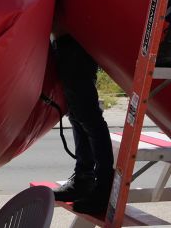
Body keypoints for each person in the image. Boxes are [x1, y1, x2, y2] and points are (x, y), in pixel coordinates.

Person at [51, 34, 113, 217]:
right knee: (77, 114)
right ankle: (84, 179)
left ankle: (103, 187)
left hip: (76, 40)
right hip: (68, 40)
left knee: (88, 116)